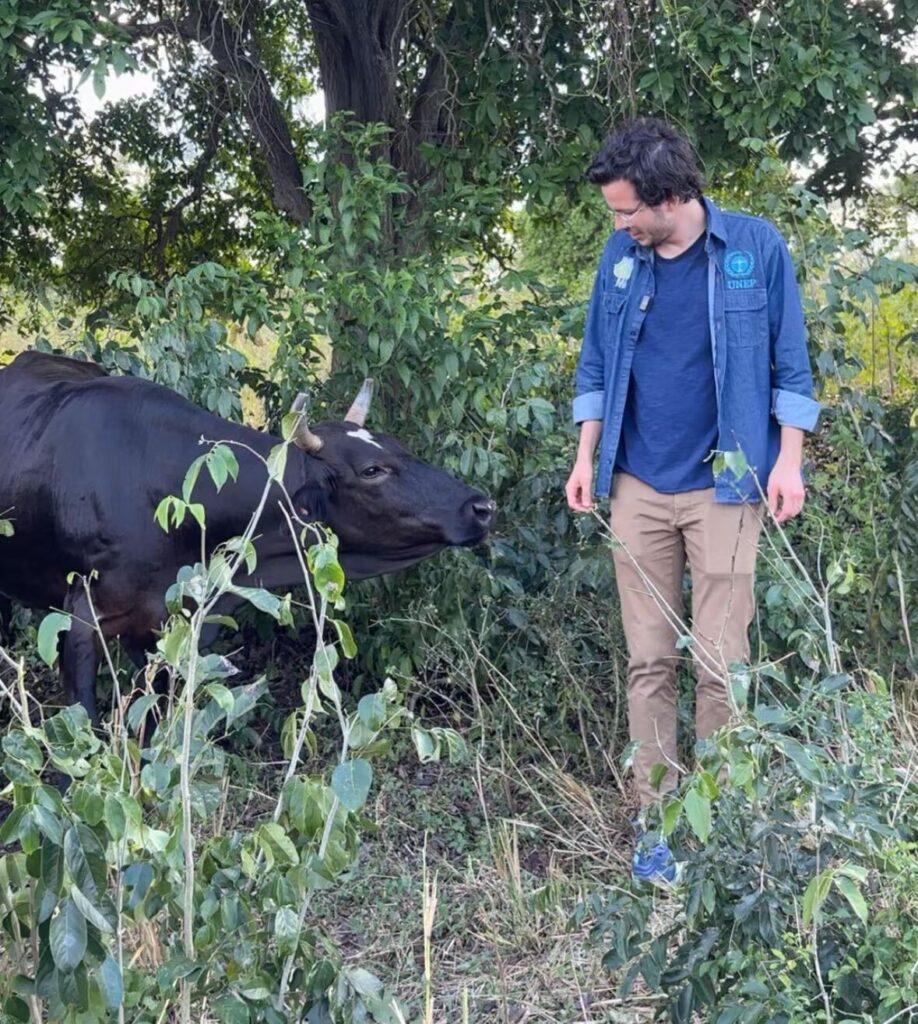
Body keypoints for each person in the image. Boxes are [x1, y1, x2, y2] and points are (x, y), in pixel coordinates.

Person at [565, 118, 820, 884]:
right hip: (636, 485)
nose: (618, 225)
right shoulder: (621, 258)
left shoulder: (752, 250)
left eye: (625, 211)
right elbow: (595, 363)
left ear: (670, 197)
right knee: (649, 663)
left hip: (728, 484)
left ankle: (723, 825)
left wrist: (790, 463)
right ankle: (659, 824)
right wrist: (585, 458)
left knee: (720, 664)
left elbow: (792, 365)